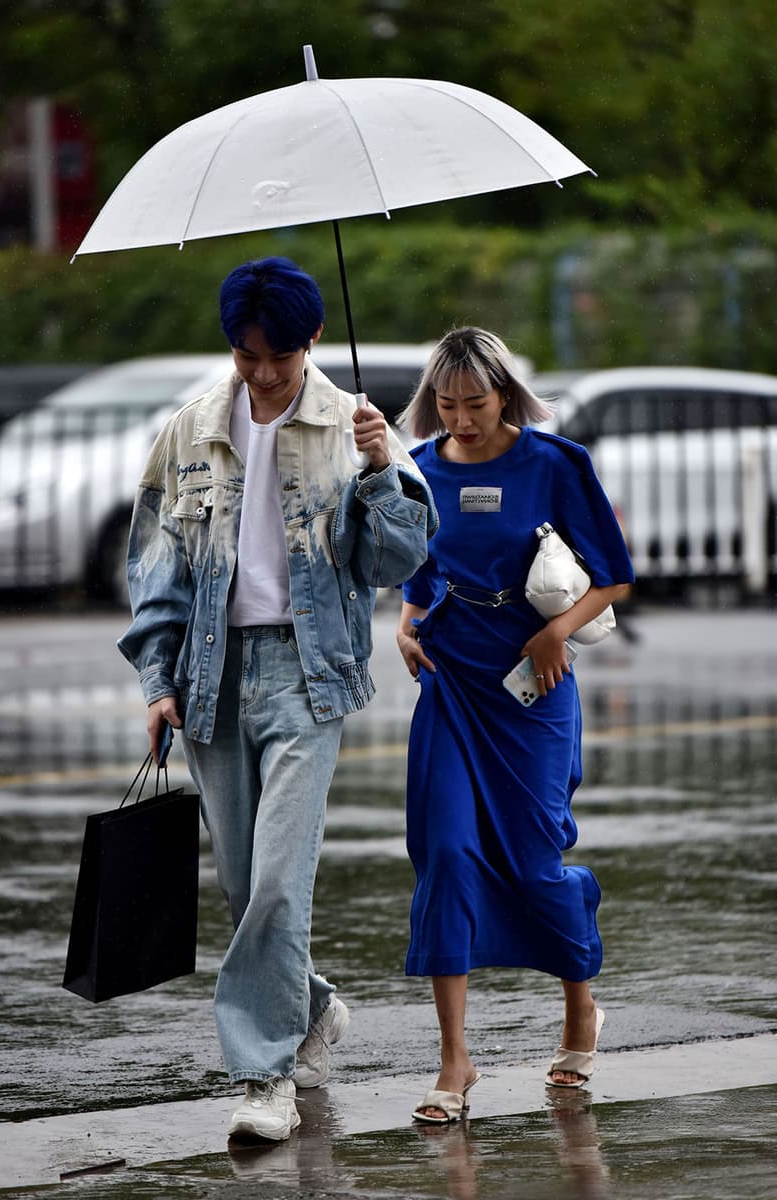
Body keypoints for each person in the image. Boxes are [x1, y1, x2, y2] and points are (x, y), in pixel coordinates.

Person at [118, 256, 437, 1143]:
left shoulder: (352, 427)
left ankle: (265, 1079)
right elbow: (156, 565)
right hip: (211, 673)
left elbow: (395, 562)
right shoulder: (192, 430)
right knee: (242, 885)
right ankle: (316, 1008)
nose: (262, 374)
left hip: (308, 674)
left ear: (313, 342)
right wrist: (157, 680)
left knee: (279, 881)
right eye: (246, 356)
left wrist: (382, 470)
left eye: (279, 358)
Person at [395, 327, 633, 1124]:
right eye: (447, 404)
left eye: (475, 402)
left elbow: (614, 579)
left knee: (535, 861)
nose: (460, 418)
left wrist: (557, 632)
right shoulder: (419, 470)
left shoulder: (555, 464)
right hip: (452, 676)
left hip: (535, 678)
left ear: (506, 395)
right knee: (447, 854)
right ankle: (455, 1063)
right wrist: (405, 623)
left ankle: (579, 1008)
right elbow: (417, 573)